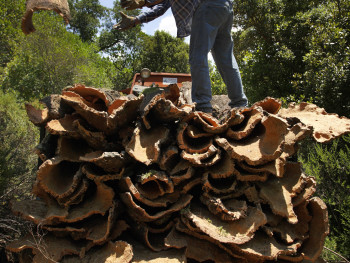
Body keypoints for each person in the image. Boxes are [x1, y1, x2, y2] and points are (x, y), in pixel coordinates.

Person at [114, 0, 248, 113]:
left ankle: (203, 107)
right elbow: (161, 7)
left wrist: (144, 1)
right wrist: (136, 20)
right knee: (226, 58)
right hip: (224, 6)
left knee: (198, 57)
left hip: (207, 6)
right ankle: (240, 104)